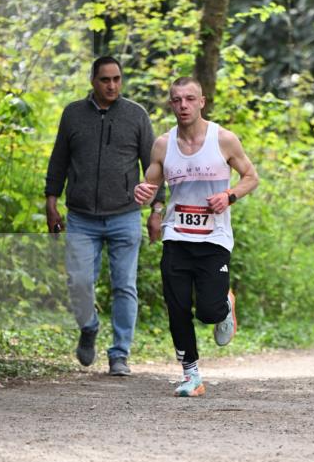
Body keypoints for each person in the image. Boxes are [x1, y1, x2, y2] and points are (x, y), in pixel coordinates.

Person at [134, 76, 259, 397]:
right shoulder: (163, 144)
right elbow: (150, 188)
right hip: (176, 236)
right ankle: (191, 375)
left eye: (190, 99)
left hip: (213, 239)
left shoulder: (224, 139)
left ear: (202, 102)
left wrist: (229, 196)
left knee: (207, 311)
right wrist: (145, 196)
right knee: (176, 308)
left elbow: (251, 177)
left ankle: (224, 306)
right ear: (170, 104)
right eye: (177, 100)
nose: (183, 105)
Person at [45, 56, 161, 376]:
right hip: (81, 216)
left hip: (125, 215)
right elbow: (58, 161)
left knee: (125, 285)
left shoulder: (136, 115)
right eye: (105, 80)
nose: (112, 85)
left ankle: (120, 354)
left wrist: (157, 210)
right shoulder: (73, 115)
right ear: (92, 81)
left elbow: (154, 168)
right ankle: (89, 326)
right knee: (79, 282)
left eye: (117, 79)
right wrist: (51, 202)